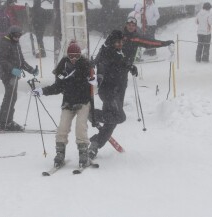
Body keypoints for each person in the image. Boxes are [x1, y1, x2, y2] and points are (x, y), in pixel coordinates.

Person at [33, 42, 93, 168]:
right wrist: (43, 91)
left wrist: (96, 79)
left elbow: (94, 79)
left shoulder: (85, 65)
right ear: (67, 55)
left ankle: (83, 153)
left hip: (83, 102)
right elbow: (58, 87)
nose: (74, 59)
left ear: (80, 55)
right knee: (62, 128)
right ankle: (60, 153)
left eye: (76, 56)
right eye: (71, 56)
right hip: (68, 102)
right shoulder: (63, 67)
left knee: (80, 127)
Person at [88, 30, 138, 160]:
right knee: (120, 117)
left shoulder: (116, 52)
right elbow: (102, 67)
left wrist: (130, 67)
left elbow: (120, 63)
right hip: (109, 92)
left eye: (121, 42)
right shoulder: (107, 53)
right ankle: (90, 114)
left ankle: (95, 144)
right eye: (117, 42)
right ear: (111, 42)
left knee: (111, 122)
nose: (120, 44)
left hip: (118, 91)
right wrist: (99, 78)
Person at [0, 25, 38, 132]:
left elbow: (21, 61)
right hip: (7, 75)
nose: (18, 37)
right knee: (10, 97)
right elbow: (1, 60)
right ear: (11, 34)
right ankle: (4, 122)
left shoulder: (16, 44)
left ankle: (6, 120)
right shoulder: (5, 43)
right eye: (16, 35)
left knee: (12, 97)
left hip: (14, 76)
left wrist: (31, 70)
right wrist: (12, 69)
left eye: (19, 35)